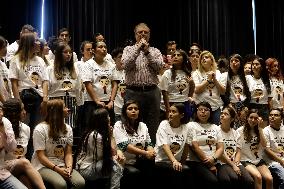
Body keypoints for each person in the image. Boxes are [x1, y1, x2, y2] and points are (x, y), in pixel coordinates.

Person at [8, 32, 49, 160]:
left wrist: (45, 99)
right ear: (29, 44)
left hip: (38, 97)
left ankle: (34, 159)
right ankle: (19, 158)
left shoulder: (40, 60)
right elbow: (14, 83)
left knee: (36, 130)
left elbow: (45, 81)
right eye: (36, 41)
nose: (39, 43)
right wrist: (19, 104)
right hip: (22, 97)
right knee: (22, 130)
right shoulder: (16, 59)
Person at [122, 22, 164, 143]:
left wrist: (146, 52)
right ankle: (134, 153)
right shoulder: (128, 49)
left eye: (146, 32)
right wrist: (138, 49)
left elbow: (159, 67)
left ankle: (150, 154)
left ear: (149, 35)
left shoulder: (155, 51)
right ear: (135, 35)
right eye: (140, 32)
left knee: (152, 124)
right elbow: (125, 65)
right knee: (132, 123)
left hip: (152, 92)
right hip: (133, 92)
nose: (143, 34)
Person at [31, 99, 85, 189]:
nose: (68, 109)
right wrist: (57, 169)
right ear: (57, 112)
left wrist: (69, 167)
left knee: (80, 183)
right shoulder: (40, 129)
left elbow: (68, 153)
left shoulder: (68, 128)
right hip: (42, 166)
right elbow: (41, 156)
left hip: (61, 164)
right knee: (61, 185)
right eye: (64, 107)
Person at [76, 108, 124, 189]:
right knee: (116, 165)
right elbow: (112, 153)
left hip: (93, 165)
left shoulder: (95, 132)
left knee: (116, 163)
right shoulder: (96, 136)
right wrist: (111, 136)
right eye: (108, 116)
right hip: (87, 169)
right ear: (103, 120)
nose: (109, 118)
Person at [3, 98, 46, 189]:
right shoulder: (3, 128)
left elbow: (23, 153)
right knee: (24, 162)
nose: (25, 112)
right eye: (21, 109)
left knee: (26, 181)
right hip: (3, 166)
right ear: (14, 113)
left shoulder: (26, 128)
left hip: (19, 165)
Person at [113, 100, 156, 189]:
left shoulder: (142, 125)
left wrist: (151, 151)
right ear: (125, 112)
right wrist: (145, 153)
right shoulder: (119, 125)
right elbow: (125, 146)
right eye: (130, 109)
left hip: (141, 161)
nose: (133, 111)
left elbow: (148, 143)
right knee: (134, 172)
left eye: (136, 109)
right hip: (125, 162)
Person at [186, 101, 224, 189]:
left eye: (206, 110)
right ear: (196, 112)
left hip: (214, 160)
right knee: (212, 181)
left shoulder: (215, 127)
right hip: (196, 161)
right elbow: (194, 147)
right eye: (200, 110)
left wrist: (213, 159)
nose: (203, 112)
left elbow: (221, 148)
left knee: (225, 179)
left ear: (210, 113)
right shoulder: (191, 125)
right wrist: (209, 164)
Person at [81, 40, 117, 129]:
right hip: (92, 102)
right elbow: (87, 83)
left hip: (108, 103)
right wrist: (97, 100)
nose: (104, 49)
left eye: (105, 47)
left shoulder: (111, 65)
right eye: (100, 47)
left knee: (109, 129)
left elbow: (115, 83)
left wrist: (111, 100)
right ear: (93, 50)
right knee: (92, 129)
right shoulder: (88, 64)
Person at [155, 103, 191, 188]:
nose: (170, 114)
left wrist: (181, 162)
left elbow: (186, 147)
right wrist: (174, 161)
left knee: (185, 170)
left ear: (181, 115)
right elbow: (164, 145)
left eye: (174, 112)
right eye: (170, 111)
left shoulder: (186, 128)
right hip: (162, 161)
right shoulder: (164, 124)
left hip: (177, 162)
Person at [218, 106, 254, 189]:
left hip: (234, 161)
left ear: (232, 119)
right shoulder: (216, 130)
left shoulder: (235, 133)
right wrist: (233, 165)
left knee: (249, 181)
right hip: (222, 162)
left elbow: (238, 151)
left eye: (226, 114)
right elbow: (220, 152)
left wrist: (236, 162)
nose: (222, 115)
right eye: (222, 113)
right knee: (233, 178)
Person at [236, 109, 273, 189]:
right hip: (245, 160)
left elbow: (264, 145)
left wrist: (260, 128)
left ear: (259, 119)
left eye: (256, 118)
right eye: (251, 117)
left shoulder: (260, 130)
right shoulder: (240, 131)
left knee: (269, 179)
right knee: (258, 177)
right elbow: (237, 149)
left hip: (258, 160)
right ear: (247, 118)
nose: (253, 120)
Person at [47, 41, 81, 129]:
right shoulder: (50, 69)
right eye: (65, 52)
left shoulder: (75, 69)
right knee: (55, 128)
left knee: (69, 128)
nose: (68, 54)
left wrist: (79, 103)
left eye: (70, 52)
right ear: (58, 54)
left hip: (71, 101)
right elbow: (46, 88)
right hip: (55, 101)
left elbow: (78, 88)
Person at [192, 50, 227, 125]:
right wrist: (208, 80)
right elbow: (197, 90)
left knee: (216, 131)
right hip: (201, 108)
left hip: (215, 107)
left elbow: (223, 92)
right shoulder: (196, 73)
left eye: (206, 57)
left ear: (212, 60)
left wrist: (214, 79)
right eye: (202, 58)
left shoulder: (218, 73)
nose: (204, 59)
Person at [160, 49, 194, 120]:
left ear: (184, 58)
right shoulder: (167, 73)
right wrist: (168, 110)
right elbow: (164, 92)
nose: (175, 57)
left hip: (185, 103)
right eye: (174, 55)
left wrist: (192, 83)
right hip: (172, 103)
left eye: (178, 55)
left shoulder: (188, 73)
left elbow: (190, 95)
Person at [0, 105, 28, 189]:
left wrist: (2, 129)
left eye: (1, 110)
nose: (1, 114)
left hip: (2, 173)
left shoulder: (5, 122)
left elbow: (11, 147)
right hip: (6, 164)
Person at [224, 54, 251, 129]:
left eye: (236, 61)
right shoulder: (225, 77)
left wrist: (245, 108)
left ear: (241, 63)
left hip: (243, 105)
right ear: (229, 64)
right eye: (231, 61)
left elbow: (249, 95)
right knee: (231, 128)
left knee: (243, 129)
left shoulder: (246, 78)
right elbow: (224, 94)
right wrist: (229, 106)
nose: (234, 62)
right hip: (231, 105)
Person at [246, 56, 271, 126]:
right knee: (252, 130)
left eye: (257, 64)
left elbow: (269, 98)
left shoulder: (267, 80)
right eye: (253, 64)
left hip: (264, 107)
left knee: (263, 131)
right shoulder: (248, 78)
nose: (254, 66)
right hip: (251, 106)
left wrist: (271, 110)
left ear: (262, 66)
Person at [264, 108, 284, 188]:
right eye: (271, 115)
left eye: (276, 115)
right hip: (273, 162)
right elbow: (267, 150)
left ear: (281, 118)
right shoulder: (266, 131)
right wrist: (281, 161)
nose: (272, 117)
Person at [111, 47, 125, 122]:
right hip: (117, 110)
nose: (122, 59)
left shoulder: (129, 71)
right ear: (114, 59)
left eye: (124, 56)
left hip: (128, 108)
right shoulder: (111, 71)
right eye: (120, 57)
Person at [0, 36, 12, 103]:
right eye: (4, 47)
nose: (6, 49)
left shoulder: (3, 64)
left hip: (6, 102)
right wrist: (4, 103)